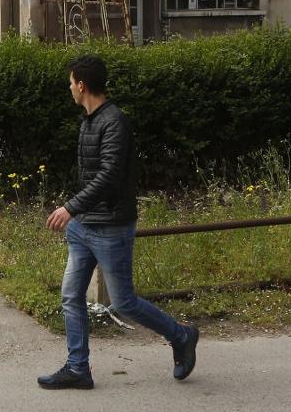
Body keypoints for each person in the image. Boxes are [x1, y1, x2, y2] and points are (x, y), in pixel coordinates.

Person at [38, 54, 199, 390]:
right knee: (71, 296)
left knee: (123, 302)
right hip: (84, 226)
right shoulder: (89, 120)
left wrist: (69, 207)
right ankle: (77, 367)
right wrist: (76, 212)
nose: (69, 88)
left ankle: (181, 335)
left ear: (81, 85)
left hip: (111, 226)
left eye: (70, 83)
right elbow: (91, 176)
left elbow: (109, 176)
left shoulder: (114, 122)